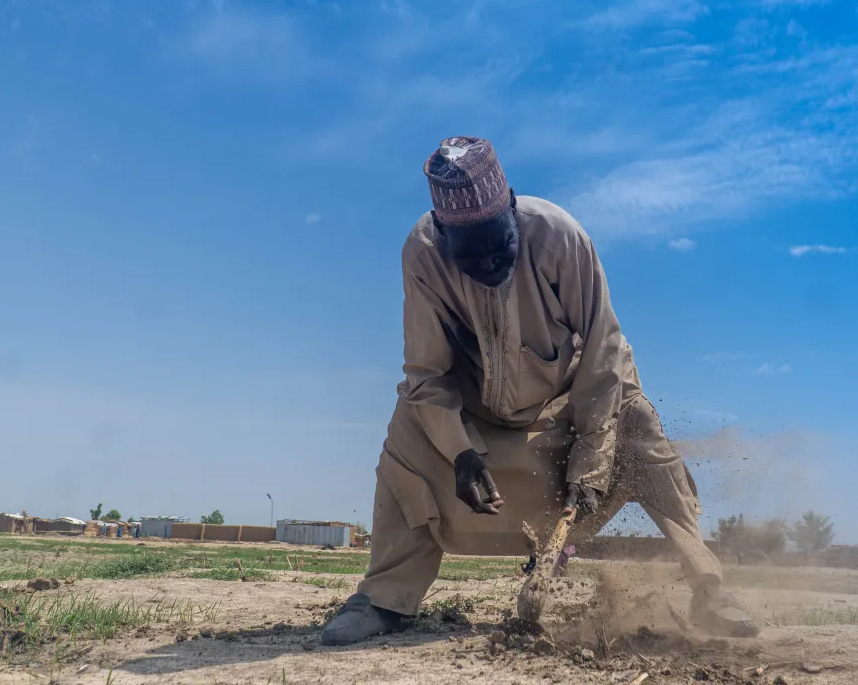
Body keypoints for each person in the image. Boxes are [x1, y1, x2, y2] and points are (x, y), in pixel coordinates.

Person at [321, 136, 759, 646]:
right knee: (407, 428)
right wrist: (460, 453)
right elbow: (427, 374)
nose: (488, 264)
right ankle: (384, 599)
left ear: (512, 208)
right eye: (470, 254)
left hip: (569, 407)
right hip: (478, 412)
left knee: (639, 423)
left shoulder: (559, 235)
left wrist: (592, 459)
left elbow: (604, 349)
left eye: (498, 243)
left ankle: (709, 589)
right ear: (442, 234)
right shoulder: (421, 254)